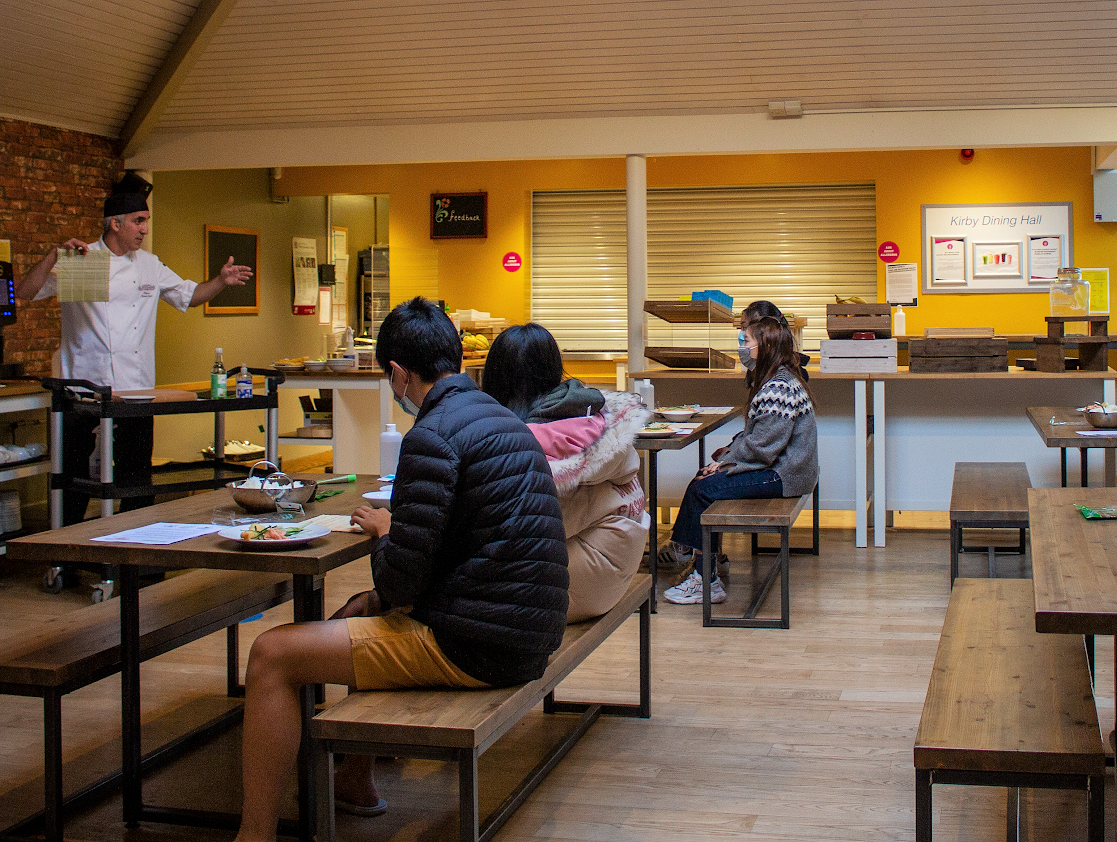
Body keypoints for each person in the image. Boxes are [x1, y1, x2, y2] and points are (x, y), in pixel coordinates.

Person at [232, 298, 568, 842]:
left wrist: (386, 532)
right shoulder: (500, 418)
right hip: (525, 629)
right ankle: (352, 778)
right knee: (356, 611)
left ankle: (254, 834)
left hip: (478, 646)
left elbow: (400, 583)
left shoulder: (430, 436)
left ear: (396, 374)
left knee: (271, 654)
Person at [16, 173, 253, 524]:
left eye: (146, 222)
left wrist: (220, 281)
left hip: (137, 388)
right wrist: (53, 256)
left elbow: (189, 297)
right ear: (115, 224)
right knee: (74, 474)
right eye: (138, 221)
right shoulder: (84, 259)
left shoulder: (149, 265)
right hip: (83, 388)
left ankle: (138, 557)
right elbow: (25, 291)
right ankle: (64, 557)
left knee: (136, 475)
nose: (144, 229)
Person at [481, 322, 651, 622]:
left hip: (582, 584)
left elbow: (527, 530)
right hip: (612, 568)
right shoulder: (587, 413)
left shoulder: (529, 442)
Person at [661, 316, 818, 605]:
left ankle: (703, 577)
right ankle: (705, 561)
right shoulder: (778, 379)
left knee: (702, 489)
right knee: (704, 481)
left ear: (765, 346)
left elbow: (763, 448)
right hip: (784, 469)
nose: (742, 348)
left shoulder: (777, 388)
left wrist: (726, 464)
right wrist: (729, 454)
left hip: (784, 474)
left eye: (746, 342)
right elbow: (756, 436)